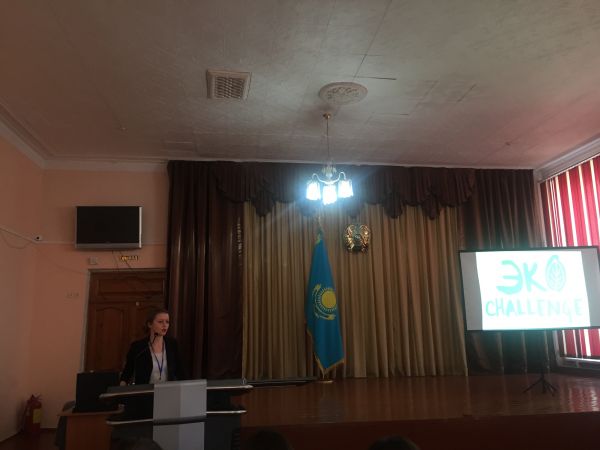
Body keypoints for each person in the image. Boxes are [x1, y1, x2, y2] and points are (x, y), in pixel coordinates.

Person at [120, 308, 184, 385]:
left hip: (168, 390)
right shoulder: (138, 347)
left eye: (167, 322)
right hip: (145, 390)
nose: (165, 325)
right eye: (160, 322)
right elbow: (127, 371)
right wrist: (122, 385)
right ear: (150, 324)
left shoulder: (172, 344)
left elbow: (180, 370)